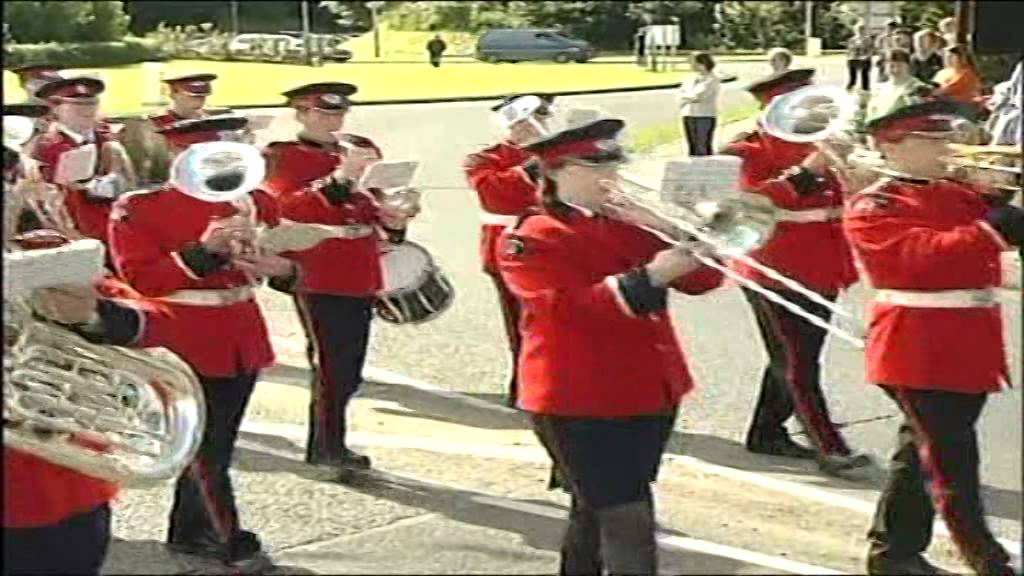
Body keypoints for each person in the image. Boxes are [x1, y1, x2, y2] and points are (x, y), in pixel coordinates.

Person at [498, 118, 725, 575]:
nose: (611, 175)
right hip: (578, 397)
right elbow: (566, 309)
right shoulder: (530, 236)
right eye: (595, 166)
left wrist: (667, 226)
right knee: (627, 517)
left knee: (595, 508)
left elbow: (704, 280)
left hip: (648, 388)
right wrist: (652, 275)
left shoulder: (628, 225)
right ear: (557, 170)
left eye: (613, 164)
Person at [843, 100, 1020, 576]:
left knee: (918, 455)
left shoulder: (959, 194)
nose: (947, 148)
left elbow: (1003, 231)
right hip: (916, 346)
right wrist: (998, 221)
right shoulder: (876, 204)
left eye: (946, 138)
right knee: (952, 464)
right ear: (892, 145)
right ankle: (988, 561)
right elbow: (925, 258)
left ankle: (892, 553)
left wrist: (1005, 199)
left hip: (969, 342)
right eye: (933, 141)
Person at [108, 141, 295, 570]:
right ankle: (224, 535)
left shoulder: (249, 201)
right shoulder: (140, 208)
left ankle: (190, 531)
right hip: (186, 336)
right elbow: (141, 277)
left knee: (219, 443)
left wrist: (278, 266)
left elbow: (285, 260)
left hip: (241, 332)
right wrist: (203, 251)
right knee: (205, 447)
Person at [261, 82, 420, 474]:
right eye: (322, 113)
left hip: (360, 264)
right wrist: (341, 179)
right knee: (332, 365)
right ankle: (326, 446)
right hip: (319, 266)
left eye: (338, 113)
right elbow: (288, 207)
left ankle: (333, 441)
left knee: (350, 365)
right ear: (301, 114)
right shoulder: (282, 156)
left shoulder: (360, 147)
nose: (333, 121)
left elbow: (374, 205)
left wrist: (395, 217)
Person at [719, 69, 869, 476]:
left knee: (796, 356)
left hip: (823, 262)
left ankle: (766, 431)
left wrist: (858, 176)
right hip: (773, 265)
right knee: (796, 361)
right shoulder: (744, 150)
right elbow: (754, 201)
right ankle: (829, 446)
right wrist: (810, 169)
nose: (814, 115)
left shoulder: (824, 143)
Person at [463, 93, 553, 406]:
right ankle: (527, 386)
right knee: (522, 325)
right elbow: (495, 194)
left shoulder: (562, 154)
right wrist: (534, 165)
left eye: (541, 117)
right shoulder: (484, 159)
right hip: (512, 249)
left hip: (559, 247)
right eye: (527, 118)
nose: (535, 124)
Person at [30, 76, 136, 244]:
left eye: (91, 103)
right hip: (70, 233)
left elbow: (129, 185)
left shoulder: (108, 141)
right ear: (56, 108)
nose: (87, 110)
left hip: (116, 229)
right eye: (77, 105)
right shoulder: (44, 146)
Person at [866, 49, 934, 123]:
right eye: (891, 65)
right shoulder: (879, 89)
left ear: (908, 66)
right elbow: (871, 115)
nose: (895, 69)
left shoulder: (918, 87)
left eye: (899, 65)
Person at [678, 52, 720, 157]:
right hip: (688, 114)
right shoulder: (690, 79)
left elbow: (699, 96)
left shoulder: (712, 79)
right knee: (692, 147)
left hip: (704, 116)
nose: (691, 65)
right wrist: (687, 98)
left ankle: (706, 166)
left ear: (702, 64)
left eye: (693, 63)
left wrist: (687, 98)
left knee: (702, 147)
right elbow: (681, 94)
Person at [846, 21, 875, 92]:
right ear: (855, 30)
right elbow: (849, 51)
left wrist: (866, 56)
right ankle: (849, 89)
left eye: (862, 29)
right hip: (854, 59)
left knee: (864, 76)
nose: (860, 30)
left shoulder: (868, 39)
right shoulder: (852, 40)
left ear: (864, 30)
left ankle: (865, 90)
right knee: (853, 78)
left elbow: (871, 50)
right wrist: (850, 56)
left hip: (865, 60)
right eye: (859, 29)